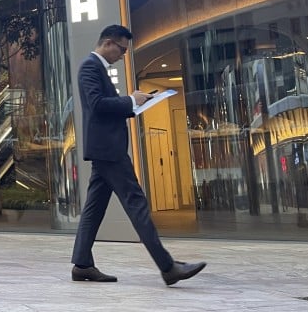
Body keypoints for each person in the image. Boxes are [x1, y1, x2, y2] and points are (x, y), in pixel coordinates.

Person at [70, 24, 206, 286]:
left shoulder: (97, 68)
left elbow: (103, 106)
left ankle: (82, 265)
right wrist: (131, 100)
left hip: (105, 149)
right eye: (121, 50)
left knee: (94, 209)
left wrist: (135, 103)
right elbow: (97, 105)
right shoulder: (90, 66)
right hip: (108, 150)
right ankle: (168, 268)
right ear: (108, 43)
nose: (122, 55)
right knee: (136, 204)